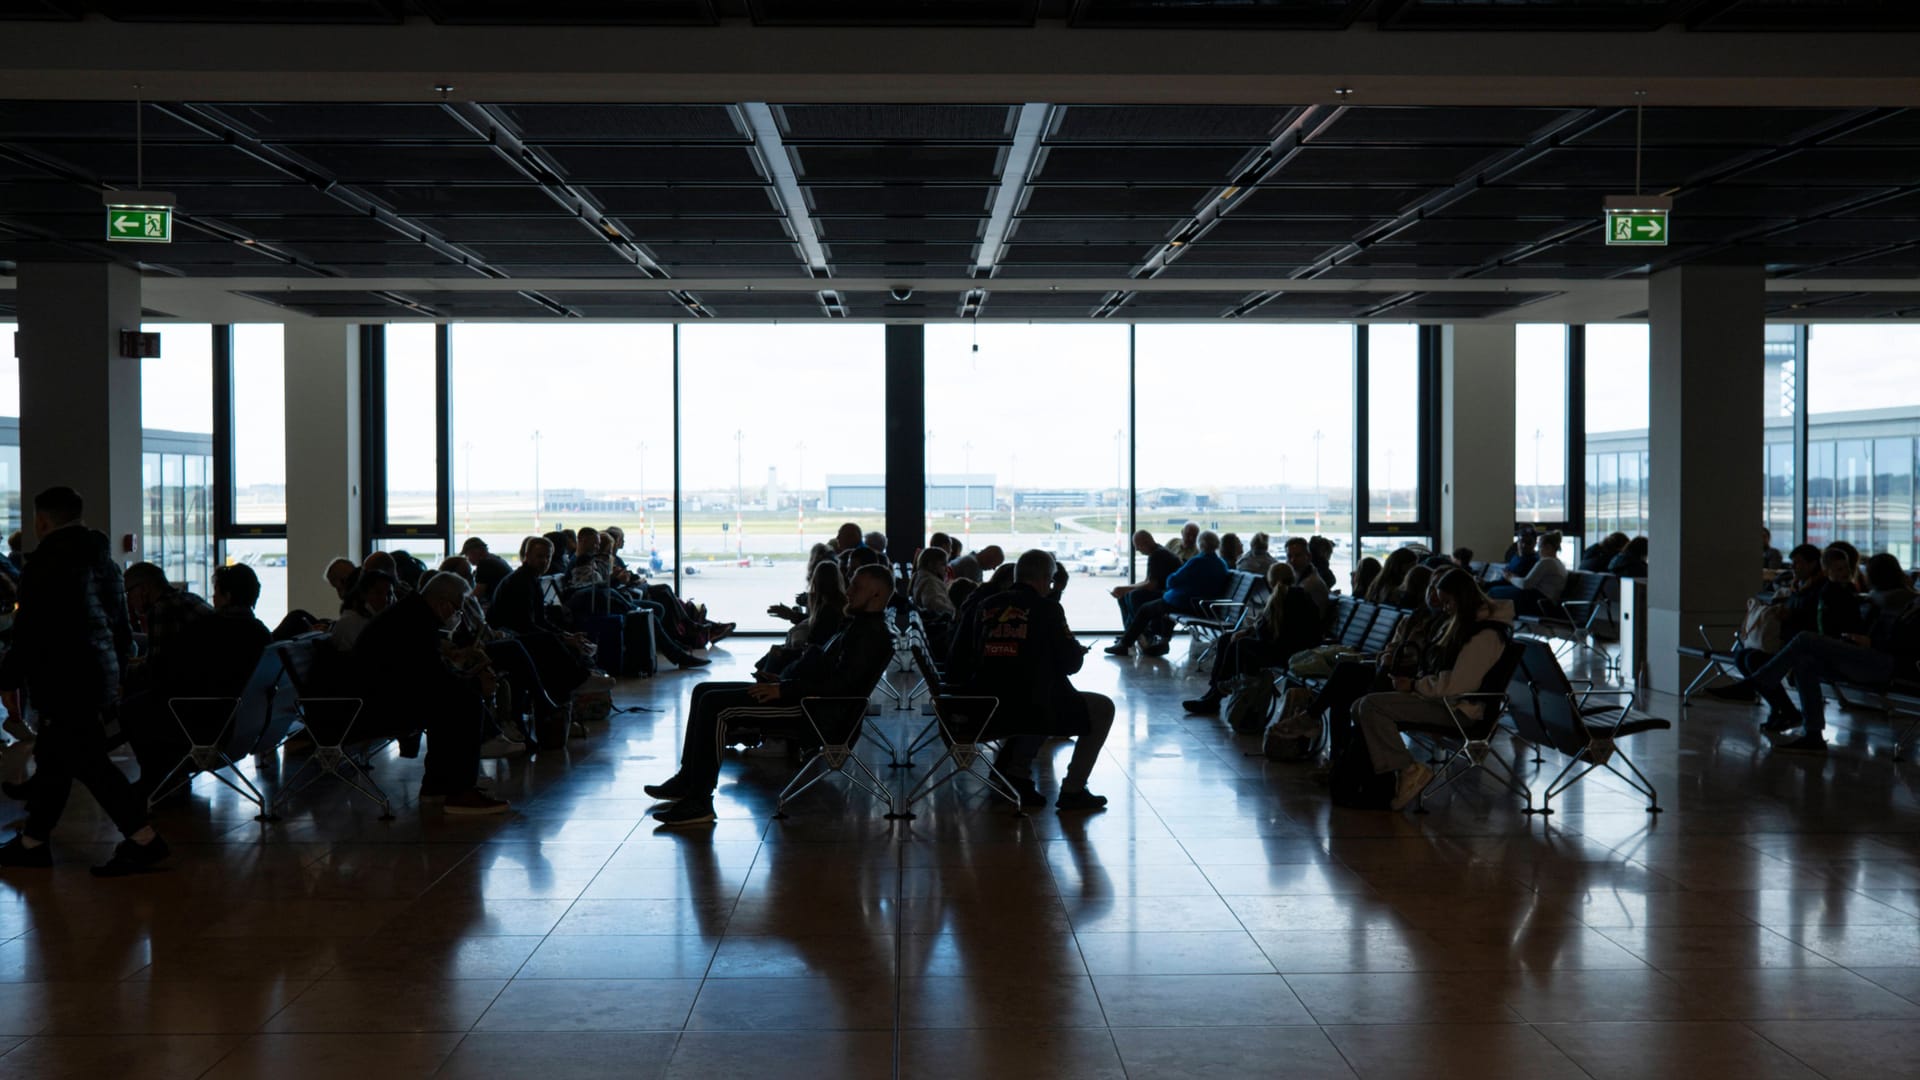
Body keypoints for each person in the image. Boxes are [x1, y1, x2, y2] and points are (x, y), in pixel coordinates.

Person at [644, 564, 897, 826]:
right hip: (805, 697)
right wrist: (784, 680)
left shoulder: (869, 635)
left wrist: (784, 689)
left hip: (814, 711)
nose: (849, 591)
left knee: (716, 705)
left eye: (856, 586)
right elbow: (829, 673)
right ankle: (688, 780)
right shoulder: (858, 625)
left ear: (876, 595)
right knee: (703, 690)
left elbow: (841, 687)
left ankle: (699, 800)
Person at [0, 487, 169, 875]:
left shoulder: (44, 564)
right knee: (59, 759)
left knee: (88, 763)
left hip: (62, 677)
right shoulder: (103, 560)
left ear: (42, 521)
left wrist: (8, 678)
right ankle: (33, 841)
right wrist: (120, 672)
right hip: (97, 674)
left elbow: (31, 630)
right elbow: (120, 623)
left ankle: (144, 839)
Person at [955, 549, 1113, 810]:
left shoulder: (986, 606)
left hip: (984, 704)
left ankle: (1015, 769)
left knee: (1039, 694)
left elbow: (965, 656)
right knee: (1102, 708)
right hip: (1030, 707)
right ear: (1044, 579)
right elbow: (1071, 664)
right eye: (1050, 581)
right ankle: (1073, 789)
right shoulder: (1047, 608)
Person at [1351, 568, 1515, 811]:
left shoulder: (1485, 635)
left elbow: (1460, 684)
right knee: (1360, 706)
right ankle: (1390, 774)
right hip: (1446, 701)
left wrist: (1416, 685)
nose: (1444, 608)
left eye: (1448, 602)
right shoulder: (1469, 626)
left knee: (1370, 706)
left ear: (1462, 598)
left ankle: (1407, 769)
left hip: (1460, 710)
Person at [353, 572, 509, 813]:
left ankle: (437, 786)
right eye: (457, 608)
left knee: (454, 700)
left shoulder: (411, 615)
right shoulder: (415, 621)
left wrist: (466, 677)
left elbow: (428, 675)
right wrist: (477, 685)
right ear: (442, 601)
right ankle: (460, 791)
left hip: (378, 698)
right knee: (465, 702)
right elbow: (432, 679)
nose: (457, 614)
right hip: (377, 706)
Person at [1712, 546, 1884, 753]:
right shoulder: (1813, 589)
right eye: (1838, 568)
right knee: (1791, 660)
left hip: (1866, 659)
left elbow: (1871, 639)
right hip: (1842, 651)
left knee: (1800, 643)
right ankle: (1809, 732)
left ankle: (1754, 686)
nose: (1845, 573)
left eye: (1845, 568)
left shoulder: (1832, 592)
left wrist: (1868, 641)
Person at [1184, 563, 1322, 714]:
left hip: (1289, 654)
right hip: (1293, 649)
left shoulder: (1281, 598)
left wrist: (1249, 632)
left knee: (1238, 644)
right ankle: (1215, 693)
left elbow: (1267, 634)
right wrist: (1250, 631)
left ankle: (1218, 694)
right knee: (1227, 639)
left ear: (1270, 581)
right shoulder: (1299, 595)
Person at [1107, 530, 1229, 658]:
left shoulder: (1197, 562)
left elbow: (1172, 581)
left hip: (1187, 603)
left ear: (1200, 544)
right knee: (1161, 607)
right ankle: (1158, 642)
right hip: (1204, 605)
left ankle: (1126, 644)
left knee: (1146, 609)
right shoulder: (1221, 564)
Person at [1107, 530, 1181, 640]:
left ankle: (1142, 633)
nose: (1137, 549)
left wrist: (1126, 589)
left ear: (1146, 542)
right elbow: (1149, 581)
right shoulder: (1158, 552)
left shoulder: (1157, 555)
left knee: (1133, 596)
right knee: (1125, 595)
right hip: (1166, 592)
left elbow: (1151, 585)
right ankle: (1131, 635)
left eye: (1138, 546)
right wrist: (1125, 589)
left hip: (1167, 595)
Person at [1489, 529, 1567, 616]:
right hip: (1546, 602)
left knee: (1493, 592)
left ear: (1548, 547)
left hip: (1537, 601)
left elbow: (1525, 584)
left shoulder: (1546, 562)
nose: (1538, 551)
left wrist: (1510, 578)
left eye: (1540, 547)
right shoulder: (1559, 563)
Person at [1285, 536, 1333, 616]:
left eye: (1297, 555)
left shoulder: (1310, 583)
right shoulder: (1305, 576)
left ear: (1309, 557)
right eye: (1289, 556)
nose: (1292, 560)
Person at [910, 546, 956, 618]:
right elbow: (935, 605)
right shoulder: (930, 583)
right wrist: (957, 611)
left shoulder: (922, 578)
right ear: (931, 565)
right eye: (943, 565)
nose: (947, 569)